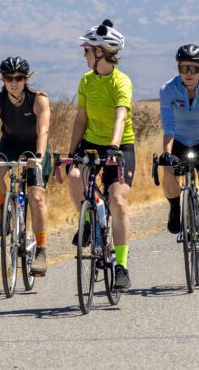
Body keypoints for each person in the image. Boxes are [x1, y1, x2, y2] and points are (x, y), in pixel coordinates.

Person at [67, 19, 136, 291]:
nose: (84, 55)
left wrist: (114, 147)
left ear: (100, 52)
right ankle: (87, 223)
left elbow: (121, 116)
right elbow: (80, 119)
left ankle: (121, 267)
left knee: (117, 201)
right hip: (91, 143)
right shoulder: (86, 81)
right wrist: (72, 152)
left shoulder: (122, 82)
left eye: (87, 50)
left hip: (120, 146)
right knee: (75, 177)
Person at [0, 56, 51, 275]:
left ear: (26, 79)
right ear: (2, 79)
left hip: (35, 146)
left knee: (36, 196)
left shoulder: (39, 100)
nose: (14, 82)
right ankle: (5, 208)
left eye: (19, 78)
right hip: (10, 143)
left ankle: (41, 250)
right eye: (9, 78)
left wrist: (38, 157)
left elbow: (43, 131)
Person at [159, 44, 199, 269]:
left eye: (193, 69)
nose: (188, 74)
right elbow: (168, 125)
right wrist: (167, 154)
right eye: (183, 68)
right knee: (166, 170)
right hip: (177, 140)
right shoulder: (168, 89)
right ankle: (175, 208)